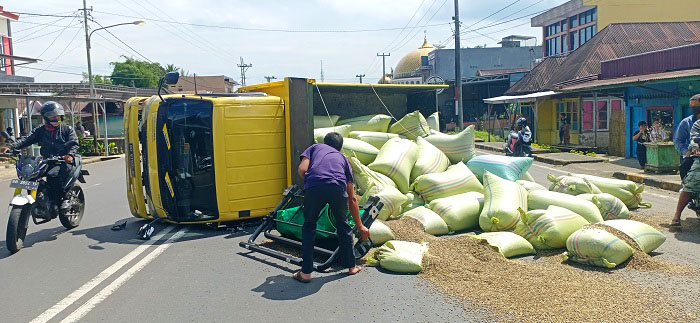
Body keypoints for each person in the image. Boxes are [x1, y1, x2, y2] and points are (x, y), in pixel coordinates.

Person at [293, 132, 369, 283]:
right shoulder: (343, 159)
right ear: (340, 148)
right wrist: (360, 226)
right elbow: (352, 197)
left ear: (324, 142)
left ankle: (306, 273)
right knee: (343, 225)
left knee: (309, 225)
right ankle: (351, 267)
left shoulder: (314, 148)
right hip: (338, 188)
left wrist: (313, 182)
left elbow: (302, 170)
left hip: (314, 186)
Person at [0, 101, 79, 214]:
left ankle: (64, 198)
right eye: (53, 117)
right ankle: (40, 199)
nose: (56, 119)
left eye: (58, 117)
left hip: (62, 160)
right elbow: (26, 140)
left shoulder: (67, 129)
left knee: (54, 176)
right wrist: (11, 147)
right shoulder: (41, 130)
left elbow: (74, 143)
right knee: (30, 175)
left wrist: (70, 154)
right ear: (46, 118)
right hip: (47, 160)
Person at [671, 94, 700, 229]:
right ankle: (677, 215)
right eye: (692, 107)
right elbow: (690, 139)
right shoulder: (692, 123)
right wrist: (691, 149)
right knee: (691, 181)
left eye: (697, 107)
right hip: (694, 155)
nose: (694, 109)